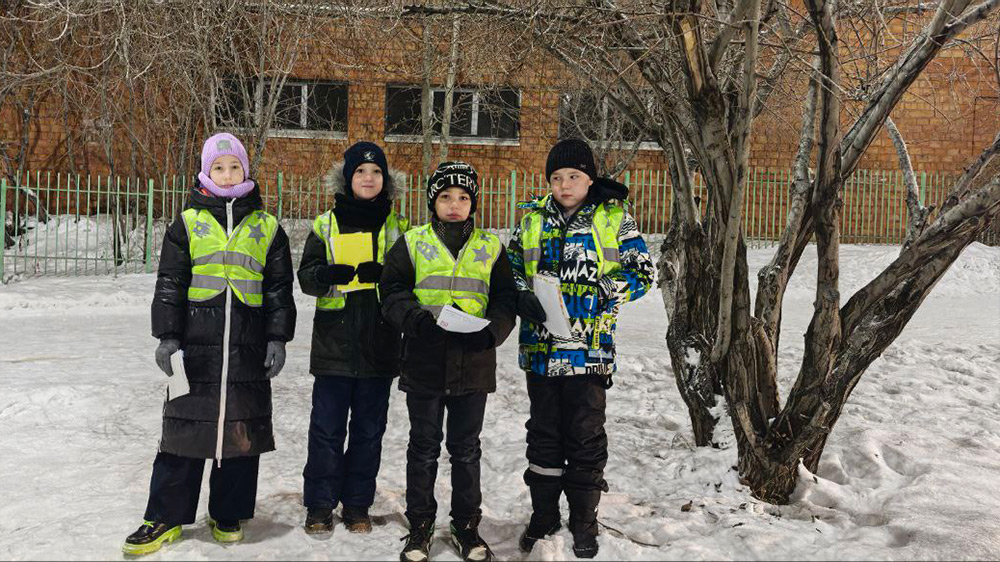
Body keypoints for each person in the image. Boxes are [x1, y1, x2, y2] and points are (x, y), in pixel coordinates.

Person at [122, 133, 296, 556]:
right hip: (194, 349)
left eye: (234, 166)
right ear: (205, 172)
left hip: (247, 347)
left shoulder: (267, 226)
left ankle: (228, 511)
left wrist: (277, 338)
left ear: (246, 169)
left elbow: (278, 289)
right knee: (183, 430)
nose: (227, 173)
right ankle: (163, 516)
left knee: (241, 430)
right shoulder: (186, 222)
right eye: (219, 167)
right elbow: (170, 284)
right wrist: (167, 337)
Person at [507, 138, 653, 558]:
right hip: (541, 349)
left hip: (590, 351)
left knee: (585, 437)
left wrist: (607, 289)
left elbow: (643, 271)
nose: (564, 184)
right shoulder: (532, 219)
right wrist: (521, 295)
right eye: (556, 177)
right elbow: (513, 266)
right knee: (544, 435)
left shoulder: (613, 217)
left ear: (590, 178)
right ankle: (544, 516)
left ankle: (584, 521)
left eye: (573, 176)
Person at [380, 161, 517, 562]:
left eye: (462, 197)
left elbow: (505, 299)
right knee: (423, 447)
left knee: (466, 449)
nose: (454, 205)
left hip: (473, 362)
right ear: (432, 202)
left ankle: (466, 526)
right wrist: (417, 319)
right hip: (424, 359)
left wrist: (492, 331)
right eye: (445, 197)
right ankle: (420, 525)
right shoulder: (411, 242)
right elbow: (390, 292)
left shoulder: (491, 246)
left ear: (473, 202)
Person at [297, 141, 410, 534]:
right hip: (333, 348)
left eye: (376, 171)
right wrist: (326, 276)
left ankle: (358, 505)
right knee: (326, 431)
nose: (368, 178)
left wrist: (386, 275)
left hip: (379, 349)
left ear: (386, 180)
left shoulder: (399, 229)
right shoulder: (324, 224)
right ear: (346, 178)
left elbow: (411, 282)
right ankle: (319, 505)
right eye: (360, 171)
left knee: (368, 432)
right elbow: (307, 276)